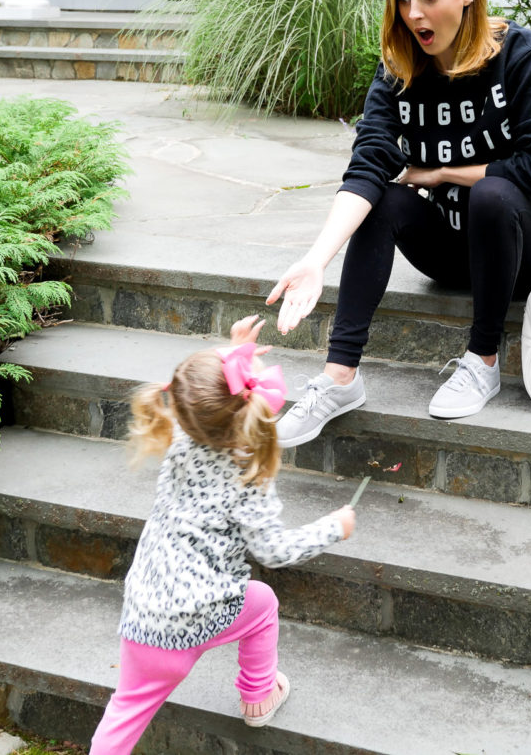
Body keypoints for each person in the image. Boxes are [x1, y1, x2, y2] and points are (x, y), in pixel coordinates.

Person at [267, 0, 531, 446]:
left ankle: (482, 361)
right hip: (457, 255)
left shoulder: (518, 53)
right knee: (385, 199)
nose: (414, 14)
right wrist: (317, 260)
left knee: (493, 192)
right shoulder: (399, 69)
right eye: (405, 0)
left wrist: (441, 174)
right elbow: (368, 165)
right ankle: (341, 377)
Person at [88, 315, 355, 753]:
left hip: (142, 617)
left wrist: (234, 353)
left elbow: (205, 401)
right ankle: (258, 697)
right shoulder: (248, 475)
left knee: (122, 716)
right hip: (199, 612)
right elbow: (273, 549)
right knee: (263, 603)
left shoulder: (177, 437)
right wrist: (334, 528)